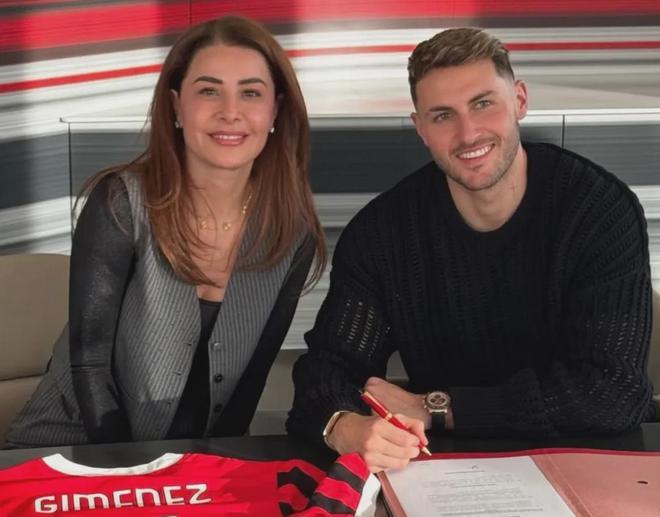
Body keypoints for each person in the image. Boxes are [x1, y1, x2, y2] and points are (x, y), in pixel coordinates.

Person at [286, 27, 655, 472]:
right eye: (443, 116)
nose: (468, 133)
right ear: (421, 129)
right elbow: (327, 369)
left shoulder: (597, 210)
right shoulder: (383, 234)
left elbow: (612, 393)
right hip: (440, 468)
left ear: (519, 100)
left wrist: (437, 406)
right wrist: (344, 427)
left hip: (589, 463)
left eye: (483, 104)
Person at [8, 15, 325, 447]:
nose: (230, 112)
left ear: (275, 111)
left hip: (192, 461)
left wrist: (215, 466)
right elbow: (89, 364)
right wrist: (136, 472)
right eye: (208, 90)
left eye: (250, 92)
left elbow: (252, 376)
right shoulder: (121, 201)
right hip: (73, 446)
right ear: (176, 106)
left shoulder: (293, 232)